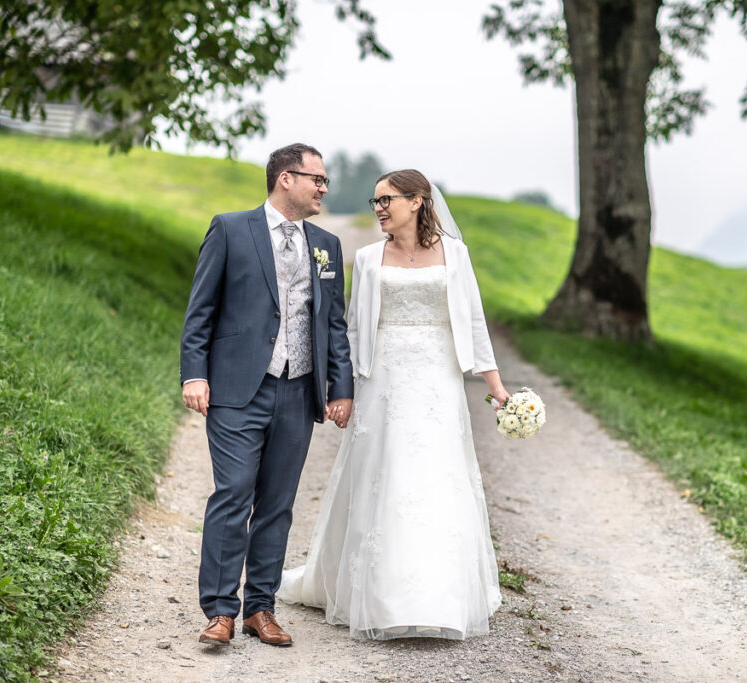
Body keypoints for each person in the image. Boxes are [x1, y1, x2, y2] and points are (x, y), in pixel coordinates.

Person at [277, 169, 509, 640]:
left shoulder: (455, 255)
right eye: (375, 201)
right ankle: (381, 597)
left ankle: (439, 598)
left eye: (388, 200)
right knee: (387, 476)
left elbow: (474, 322)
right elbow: (353, 330)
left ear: (418, 201)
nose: (379, 208)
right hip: (384, 381)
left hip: (438, 383)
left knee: (436, 480)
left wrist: (497, 387)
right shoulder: (366, 258)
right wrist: (344, 388)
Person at [180, 143, 354, 647]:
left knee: (277, 505)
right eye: (316, 179)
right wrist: (195, 374)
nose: (323, 188)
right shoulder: (231, 229)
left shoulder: (326, 244)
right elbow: (200, 311)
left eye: (325, 181)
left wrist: (338, 388)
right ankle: (220, 611)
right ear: (285, 179)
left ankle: (260, 607)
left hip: (297, 393)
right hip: (237, 388)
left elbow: (334, 325)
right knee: (233, 495)